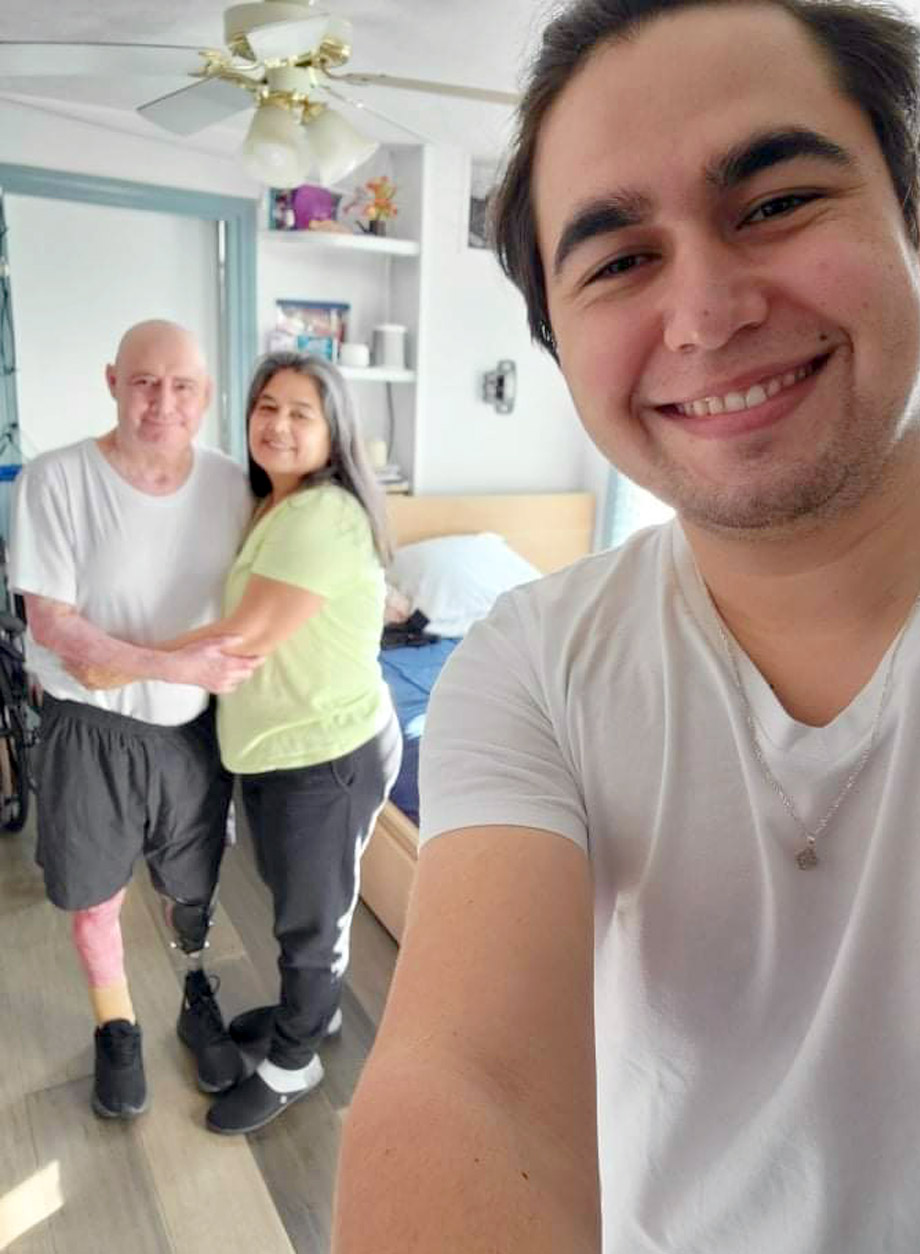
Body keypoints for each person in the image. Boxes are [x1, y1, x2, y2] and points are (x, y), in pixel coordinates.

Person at [333, 1, 920, 1250]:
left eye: (773, 203)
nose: (706, 314)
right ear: (559, 347)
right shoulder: (527, 663)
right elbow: (465, 1086)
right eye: (616, 261)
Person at [128, 351, 401, 1135]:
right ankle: (312, 1014)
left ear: (333, 431)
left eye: (301, 413)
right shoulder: (274, 504)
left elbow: (240, 640)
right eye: (267, 407)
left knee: (311, 919)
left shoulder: (323, 515)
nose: (277, 426)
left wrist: (114, 654)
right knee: (297, 900)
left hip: (325, 758)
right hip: (286, 752)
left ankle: (296, 1060)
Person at [10, 319, 258, 1120]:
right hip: (92, 730)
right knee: (95, 893)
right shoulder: (55, 479)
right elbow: (53, 624)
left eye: (182, 385)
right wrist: (173, 664)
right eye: (145, 382)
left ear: (206, 395)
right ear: (112, 381)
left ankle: (195, 992)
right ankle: (115, 1025)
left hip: (192, 731)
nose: (162, 402)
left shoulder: (233, 483)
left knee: (192, 886)